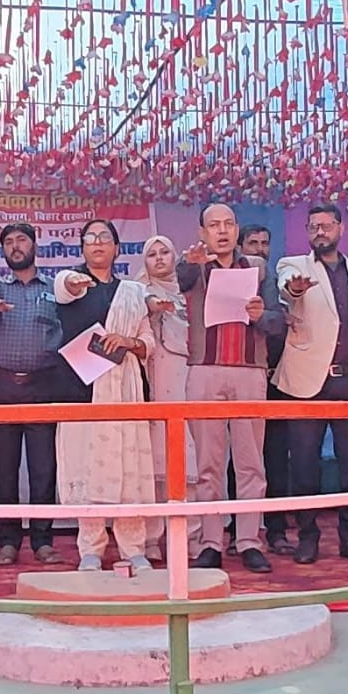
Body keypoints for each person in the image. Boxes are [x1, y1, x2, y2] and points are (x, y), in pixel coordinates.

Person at [175, 203, 287, 573]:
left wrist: (261, 316)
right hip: (204, 371)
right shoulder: (193, 264)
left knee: (250, 462)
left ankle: (249, 541)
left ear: (237, 230)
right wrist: (190, 263)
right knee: (208, 463)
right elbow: (180, 281)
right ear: (202, 233)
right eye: (214, 225)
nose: (222, 231)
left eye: (228, 224)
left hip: (249, 371)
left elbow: (277, 321)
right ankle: (211, 543)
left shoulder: (258, 268)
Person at [276, 204, 348, 564]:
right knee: (304, 465)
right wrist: (294, 289)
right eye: (313, 227)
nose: (320, 232)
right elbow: (286, 288)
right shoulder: (293, 265)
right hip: (307, 381)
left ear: (341, 228)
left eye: (326, 225)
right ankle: (308, 537)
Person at [55, 219, 158, 572]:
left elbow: (148, 341)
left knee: (128, 466)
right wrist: (74, 282)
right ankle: (90, 549)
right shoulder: (72, 283)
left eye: (104, 237)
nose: (97, 243)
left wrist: (129, 342)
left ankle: (133, 548)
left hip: (125, 390)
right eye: (90, 238)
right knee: (87, 466)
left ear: (116, 248)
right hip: (81, 389)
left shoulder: (132, 291)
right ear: (82, 248)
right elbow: (64, 287)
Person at [0, 222, 66, 566]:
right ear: (3, 250)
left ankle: (43, 542)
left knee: (44, 470)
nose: (16, 246)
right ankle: (8, 542)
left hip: (44, 387)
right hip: (0, 389)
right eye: (9, 242)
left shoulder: (55, 288)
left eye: (22, 240)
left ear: (34, 246)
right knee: (3, 471)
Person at [133, 235, 201, 563]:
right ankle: (150, 539)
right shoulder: (136, 292)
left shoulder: (191, 290)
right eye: (152, 254)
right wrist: (151, 306)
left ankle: (190, 537)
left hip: (186, 375)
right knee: (151, 461)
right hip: (152, 378)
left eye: (164, 252)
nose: (159, 259)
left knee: (187, 454)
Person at [240, 223, 290, 555]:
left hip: (275, 381)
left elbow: (277, 326)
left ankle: (276, 530)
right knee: (238, 457)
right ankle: (238, 531)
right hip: (238, 379)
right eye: (252, 243)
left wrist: (265, 316)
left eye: (264, 243)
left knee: (275, 457)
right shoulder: (223, 278)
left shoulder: (275, 283)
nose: (259, 249)